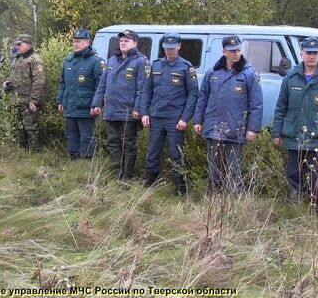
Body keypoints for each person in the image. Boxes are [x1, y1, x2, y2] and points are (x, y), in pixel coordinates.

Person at [271, 37, 318, 214]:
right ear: (301, 53)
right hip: (294, 135)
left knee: (315, 177)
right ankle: (294, 206)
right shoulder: (291, 76)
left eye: (315, 53)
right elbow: (281, 107)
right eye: (308, 53)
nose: (311, 57)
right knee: (293, 173)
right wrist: (276, 132)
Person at [193, 35, 263, 193]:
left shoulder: (249, 73)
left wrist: (253, 128)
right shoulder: (213, 72)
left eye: (238, 50)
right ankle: (213, 197)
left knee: (233, 168)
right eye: (232, 51)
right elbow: (203, 97)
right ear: (224, 51)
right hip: (213, 125)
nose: (236, 53)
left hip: (235, 128)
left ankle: (233, 199)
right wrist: (198, 120)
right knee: (213, 166)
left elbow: (256, 103)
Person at [140, 33, 198, 195]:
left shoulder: (186, 67)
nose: (169, 51)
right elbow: (147, 90)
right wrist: (144, 113)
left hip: (175, 119)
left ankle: (180, 187)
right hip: (156, 117)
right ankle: (149, 183)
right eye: (167, 48)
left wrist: (185, 118)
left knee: (175, 153)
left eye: (172, 48)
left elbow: (193, 95)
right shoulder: (156, 65)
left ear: (179, 46)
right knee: (152, 151)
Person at [91, 29, 149, 180]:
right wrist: (97, 103)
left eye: (127, 40)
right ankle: (117, 173)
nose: (123, 42)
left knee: (128, 145)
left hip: (128, 112)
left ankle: (127, 176)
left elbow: (143, 88)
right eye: (121, 40)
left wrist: (138, 108)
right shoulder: (112, 60)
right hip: (110, 111)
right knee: (113, 143)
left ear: (135, 43)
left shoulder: (141, 62)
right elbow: (102, 84)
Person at [57, 28, 104, 159]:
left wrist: (97, 104)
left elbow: (101, 85)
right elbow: (62, 83)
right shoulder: (69, 60)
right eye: (74, 41)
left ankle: (87, 163)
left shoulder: (95, 61)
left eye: (79, 41)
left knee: (86, 137)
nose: (75, 44)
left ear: (88, 42)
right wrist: (60, 100)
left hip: (86, 107)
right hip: (70, 106)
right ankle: (74, 162)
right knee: (71, 136)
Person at [3, 34, 46, 151]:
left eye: (19, 44)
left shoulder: (35, 59)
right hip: (16, 99)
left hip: (28, 100)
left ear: (27, 45)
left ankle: (35, 152)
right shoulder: (17, 58)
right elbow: (13, 76)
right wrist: (6, 83)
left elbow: (39, 81)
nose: (17, 47)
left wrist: (34, 100)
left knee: (31, 127)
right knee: (18, 127)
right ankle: (22, 151)